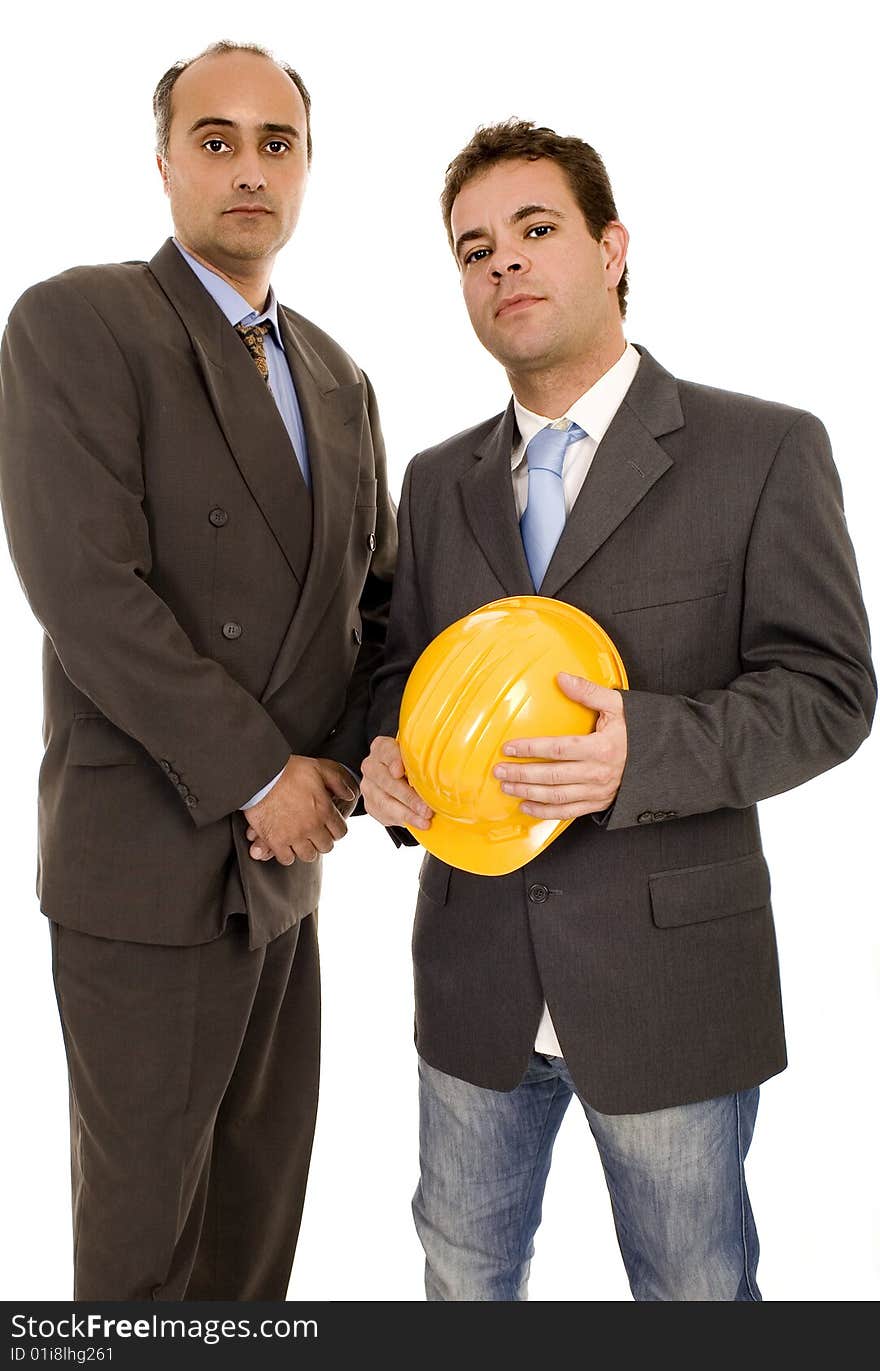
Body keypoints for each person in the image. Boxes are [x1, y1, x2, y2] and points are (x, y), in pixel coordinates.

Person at [362, 120, 875, 1301]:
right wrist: (385, 754)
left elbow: (831, 692)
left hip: (668, 982)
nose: (505, 265)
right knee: (461, 1272)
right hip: (473, 977)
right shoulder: (437, 481)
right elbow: (401, 668)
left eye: (535, 230)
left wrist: (643, 752)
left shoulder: (762, 449)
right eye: (474, 247)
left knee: (693, 1293)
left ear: (611, 247)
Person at [0, 41, 395, 1301]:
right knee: (138, 1258)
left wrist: (345, 762)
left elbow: (371, 610)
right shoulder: (79, 319)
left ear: (305, 171)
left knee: (253, 1239)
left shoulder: (339, 375)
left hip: (291, 874)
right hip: (148, 864)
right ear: (164, 161)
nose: (247, 170)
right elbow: (86, 591)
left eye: (276, 144)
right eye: (215, 141)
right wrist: (254, 774)